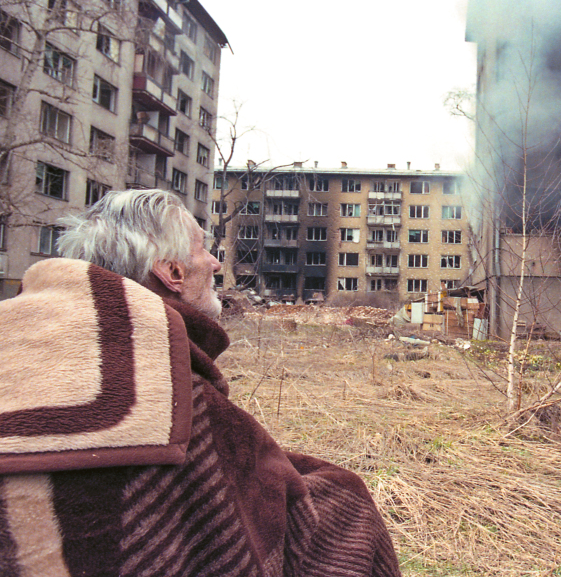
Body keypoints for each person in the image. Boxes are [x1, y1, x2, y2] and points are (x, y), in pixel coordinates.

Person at [0, 189, 401, 577]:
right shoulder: (173, 393)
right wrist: (344, 491)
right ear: (171, 271)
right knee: (344, 501)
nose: (213, 262)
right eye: (202, 249)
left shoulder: (24, 354)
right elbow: (260, 515)